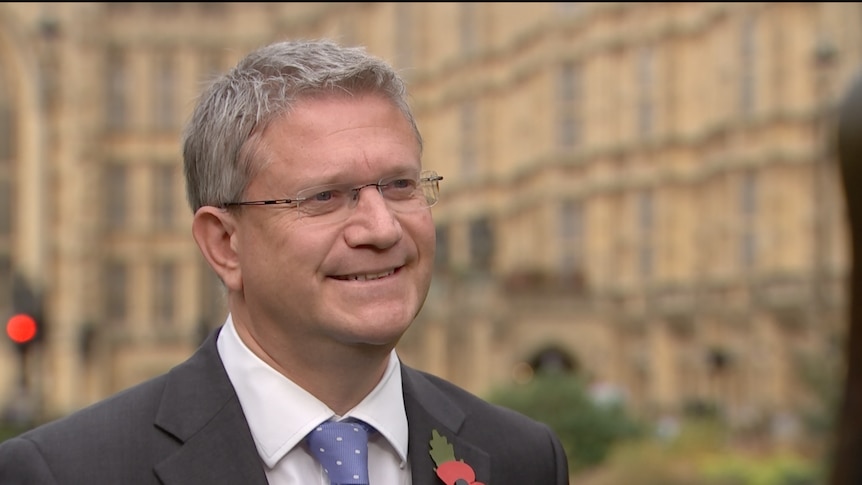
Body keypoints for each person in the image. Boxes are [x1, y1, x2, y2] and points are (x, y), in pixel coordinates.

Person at [0, 39, 570, 484]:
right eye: (325, 196)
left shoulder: (522, 459)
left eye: (399, 185)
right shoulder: (63, 472)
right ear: (225, 244)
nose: (382, 227)